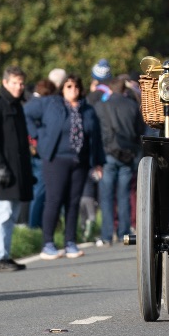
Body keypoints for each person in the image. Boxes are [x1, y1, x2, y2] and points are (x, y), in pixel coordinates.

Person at [31, 74, 105, 259]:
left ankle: (70, 242)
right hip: (56, 159)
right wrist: (38, 137)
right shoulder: (51, 104)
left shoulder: (87, 110)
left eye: (76, 87)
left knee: (73, 202)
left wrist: (97, 162)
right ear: (62, 89)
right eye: (69, 86)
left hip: (79, 161)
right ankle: (48, 243)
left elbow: (95, 138)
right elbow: (27, 114)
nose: (73, 90)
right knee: (54, 199)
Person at [0, 66, 33, 272]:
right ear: (5, 83)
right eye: (14, 83)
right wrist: (0, 167)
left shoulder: (17, 106)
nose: (19, 87)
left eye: (21, 83)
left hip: (17, 170)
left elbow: (21, 144)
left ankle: (4, 255)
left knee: (12, 213)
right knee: (3, 212)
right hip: (3, 170)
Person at [96, 77, 144, 246]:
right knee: (124, 195)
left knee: (107, 196)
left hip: (108, 153)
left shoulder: (103, 105)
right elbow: (139, 130)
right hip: (128, 153)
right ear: (124, 90)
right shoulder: (132, 106)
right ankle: (124, 232)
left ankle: (107, 235)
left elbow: (101, 131)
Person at [23, 78, 57, 229]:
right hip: (40, 152)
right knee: (41, 189)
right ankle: (34, 224)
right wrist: (36, 135)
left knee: (39, 188)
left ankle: (35, 224)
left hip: (34, 152)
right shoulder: (39, 103)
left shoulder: (31, 102)